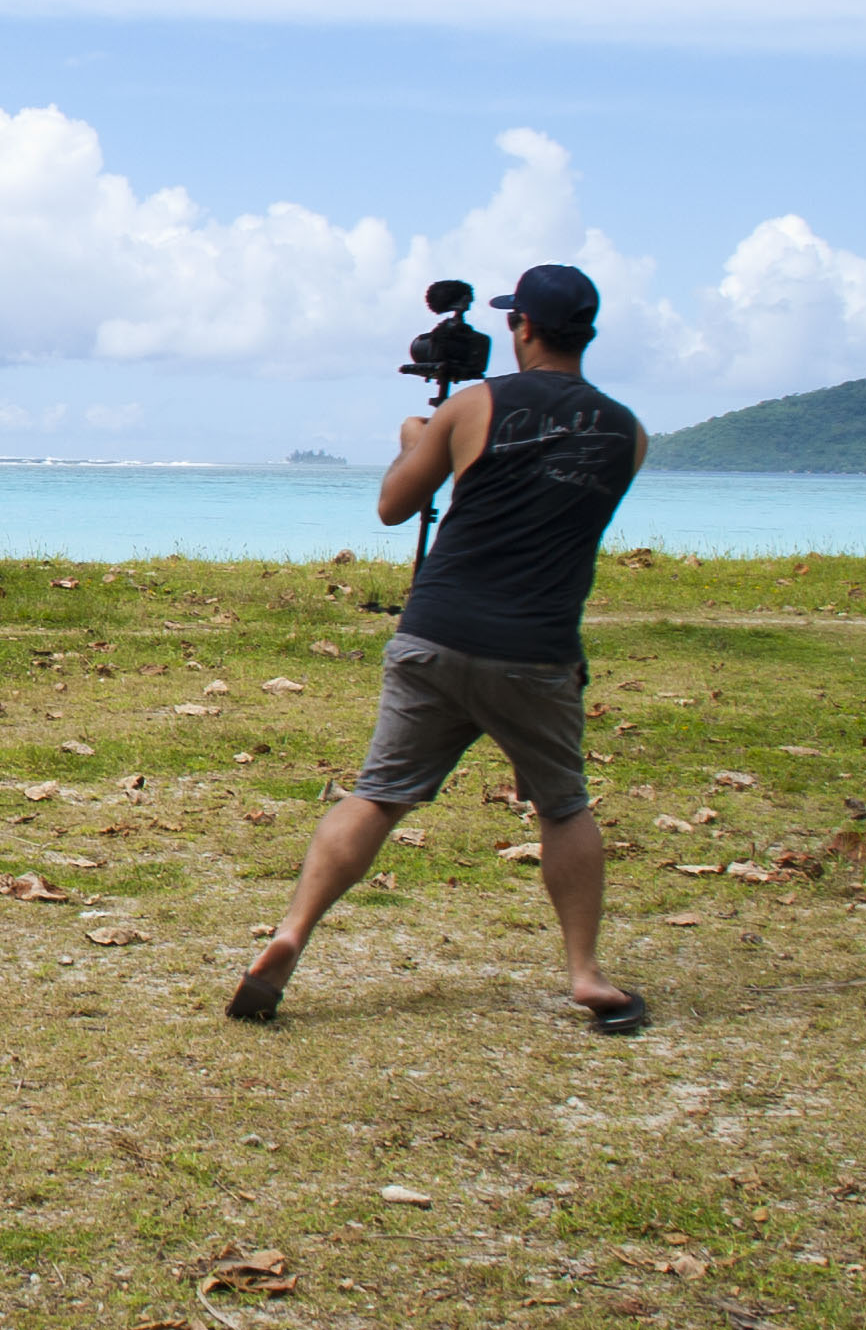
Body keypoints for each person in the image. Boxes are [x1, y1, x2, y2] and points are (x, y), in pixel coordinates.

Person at [224, 264, 651, 1035]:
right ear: (586, 332)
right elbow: (547, 504)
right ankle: (585, 973)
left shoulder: (473, 405)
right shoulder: (628, 433)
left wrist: (417, 441)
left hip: (437, 632)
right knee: (563, 806)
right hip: (538, 646)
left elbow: (395, 505)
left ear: (522, 326)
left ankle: (291, 933)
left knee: (378, 795)